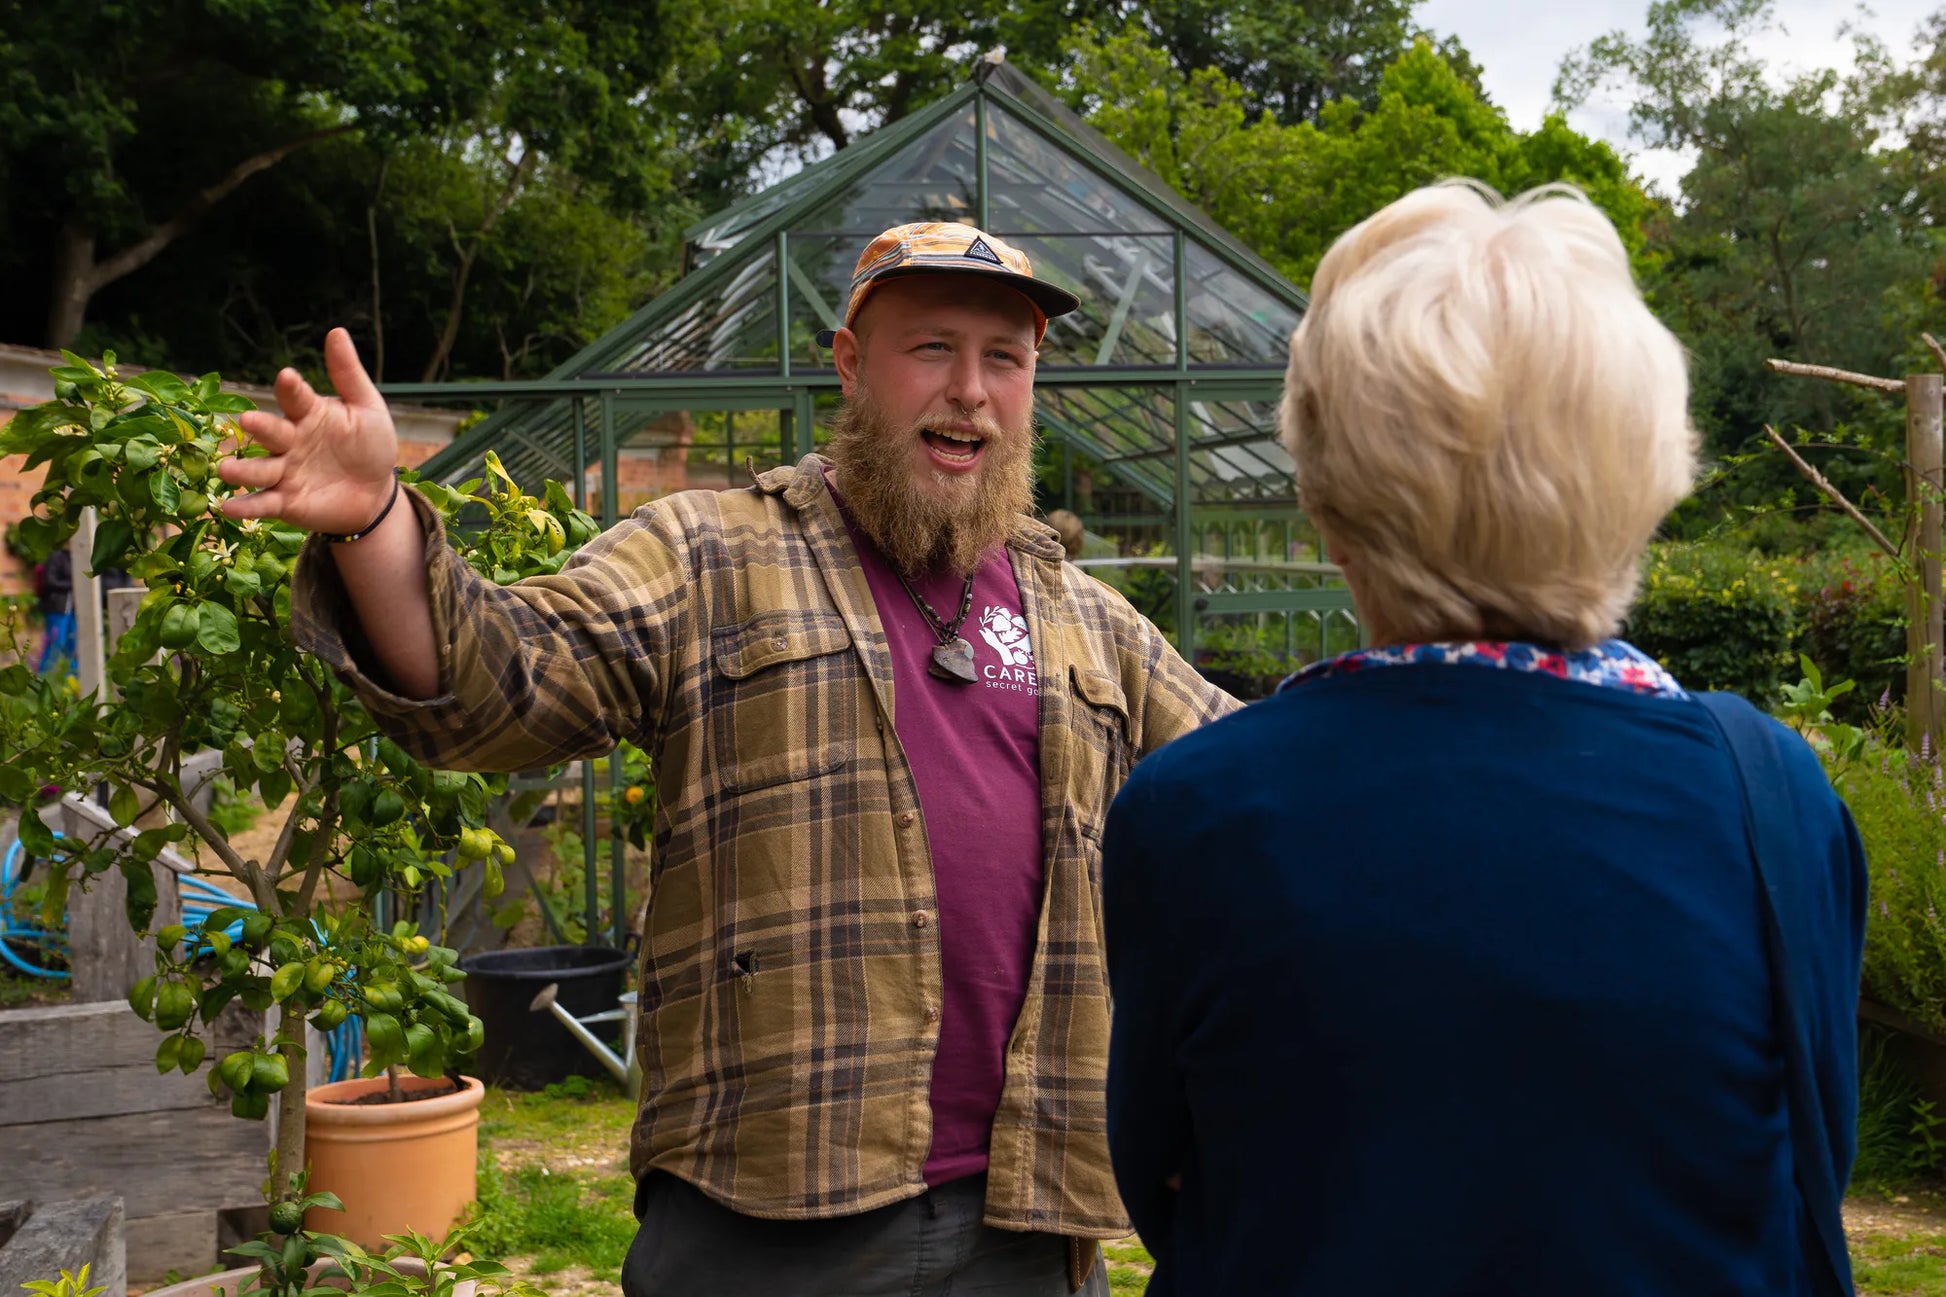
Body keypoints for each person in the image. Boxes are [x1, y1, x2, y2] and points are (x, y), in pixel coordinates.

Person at [218, 221, 1237, 1296]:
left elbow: (1251, 784)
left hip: (1026, 1220)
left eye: (1004, 359)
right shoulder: (710, 553)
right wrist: (376, 519)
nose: (970, 391)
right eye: (931, 348)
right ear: (850, 363)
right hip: (771, 1211)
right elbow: (501, 686)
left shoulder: (1087, 622)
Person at [1100, 181, 1866, 1296]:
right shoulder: (1772, 797)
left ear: (1322, 493)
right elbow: (1811, 1151)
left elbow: (1165, 1174)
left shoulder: (1194, 811)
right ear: (1649, 465)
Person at [34, 545, 74, 678]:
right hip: (57, 606)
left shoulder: (79, 558)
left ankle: (74, 678)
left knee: (74, 644)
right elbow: (50, 581)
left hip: (73, 609)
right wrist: (73, 584)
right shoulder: (57, 557)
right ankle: (43, 677)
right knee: (55, 643)